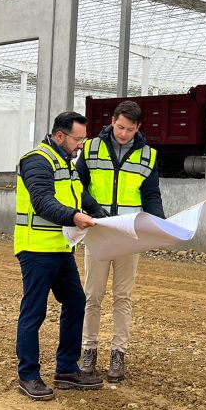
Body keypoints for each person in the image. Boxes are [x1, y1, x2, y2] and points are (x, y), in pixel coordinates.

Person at [13, 111, 106, 401]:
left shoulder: (66, 162)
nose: (81, 145)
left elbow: (79, 195)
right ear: (59, 136)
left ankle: (66, 368)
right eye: (77, 139)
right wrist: (74, 216)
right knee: (34, 311)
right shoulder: (36, 161)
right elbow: (42, 202)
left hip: (61, 249)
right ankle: (28, 375)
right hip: (36, 250)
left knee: (76, 301)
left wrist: (103, 215)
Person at [75, 100, 165, 382]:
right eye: (119, 126)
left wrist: (158, 225)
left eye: (129, 129)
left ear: (138, 128)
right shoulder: (90, 148)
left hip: (129, 235)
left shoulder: (148, 155)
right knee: (93, 295)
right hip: (98, 230)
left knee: (123, 296)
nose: (123, 133)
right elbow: (77, 184)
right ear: (112, 121)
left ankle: (118, 354)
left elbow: (151, 194)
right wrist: (92, 208)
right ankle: (88, 350)